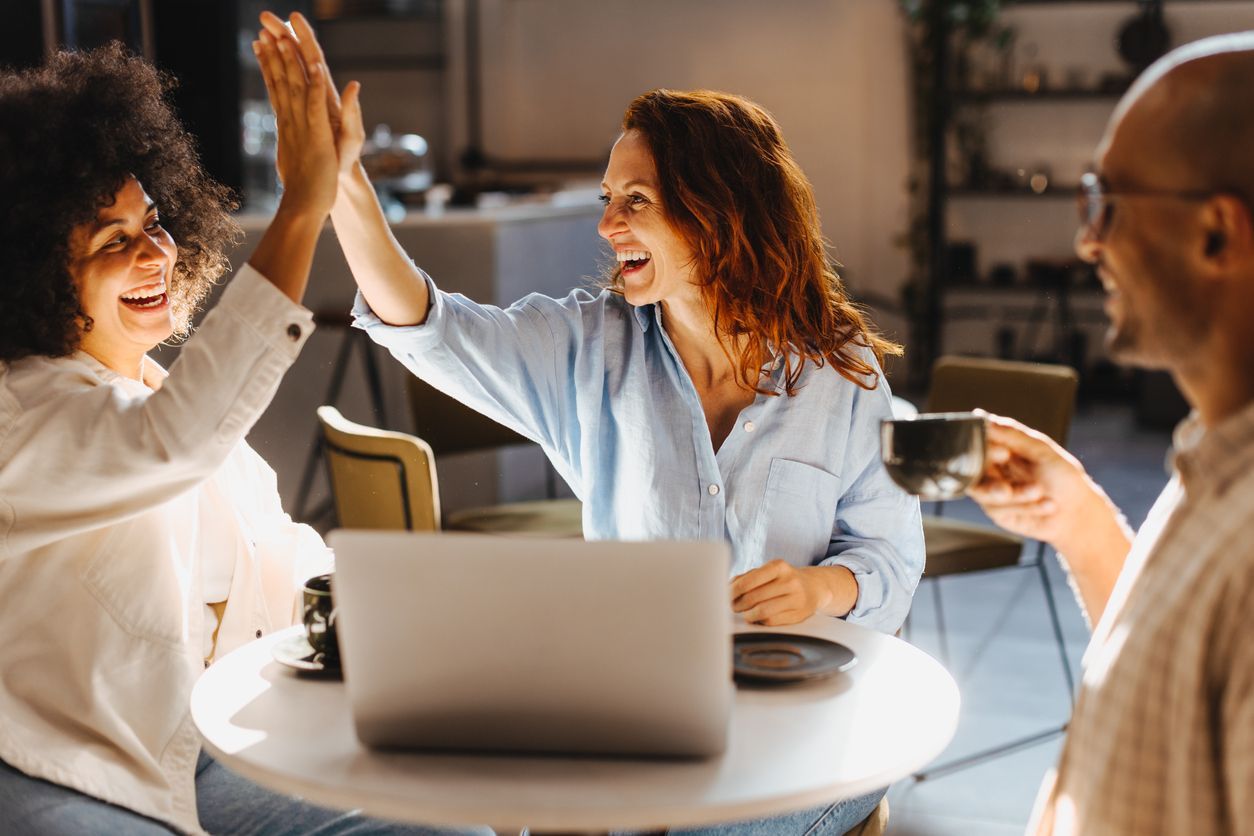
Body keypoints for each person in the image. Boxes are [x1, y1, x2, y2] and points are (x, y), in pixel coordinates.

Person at [259, 13, 923, 835]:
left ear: (717, 214)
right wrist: (347, 183)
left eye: (635, 202)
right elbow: (429, 327)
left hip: (806, 728)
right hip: (643, 718)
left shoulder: (841, 371)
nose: (608, 225)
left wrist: (824, 586)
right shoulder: (590, 348)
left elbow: (892, 553)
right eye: (609, 200)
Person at [0, 43, 482, 836]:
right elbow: (175, 441)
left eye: (152, 223)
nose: (154, 253)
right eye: (110, 241)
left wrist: (415, 607)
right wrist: (303, 203)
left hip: (199, 751)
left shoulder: (153, 390)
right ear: (37, 276)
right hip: (62, 766)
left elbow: (275, 558)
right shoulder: (25, 414)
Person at [965, 33, 1254, 836]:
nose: (1088, 240)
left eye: (1107, 201)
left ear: (1217, 234)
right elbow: (1173, 678)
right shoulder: (1217, 463)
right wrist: (1083, 527)